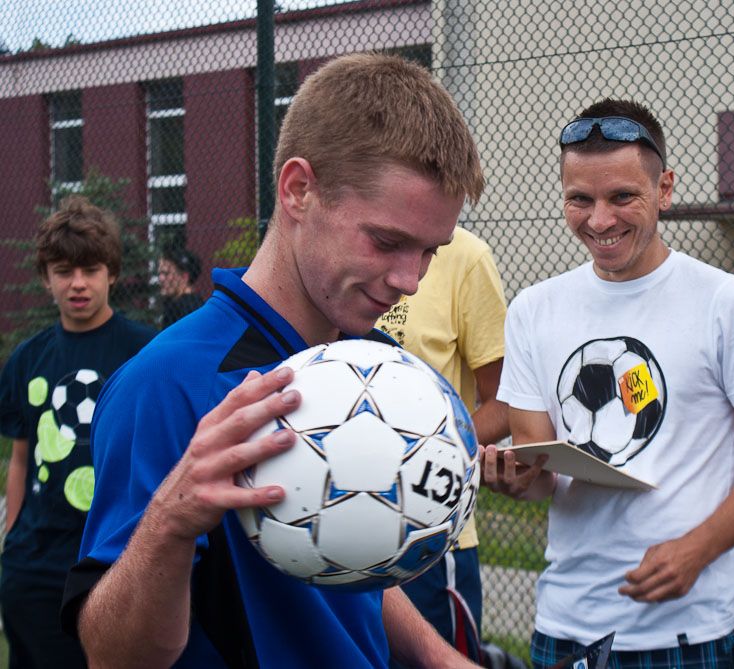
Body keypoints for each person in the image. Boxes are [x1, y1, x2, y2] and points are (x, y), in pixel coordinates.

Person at [60, 53, 485, 668]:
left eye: (430, 252)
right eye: (388, 242)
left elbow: (347, 551)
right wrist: (172, 522)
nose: (410, 280)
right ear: (298, 190)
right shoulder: (168, 384)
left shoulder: (374, 365)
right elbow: (111, 655)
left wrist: (443, 660)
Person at [481, 99, 734, 668]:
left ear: (665, 190)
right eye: (579, 199)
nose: (600, 220)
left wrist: (696, 551)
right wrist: (514, 481)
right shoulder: (534, 308)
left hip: (691, 627)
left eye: (622, 197)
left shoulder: (726, 303)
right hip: (567, 623)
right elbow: (543, 477)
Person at [0, 195, 155, 668]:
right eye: (64, 271)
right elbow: (21, 460)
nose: (78, 284)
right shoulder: (28, 359)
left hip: (112, 557)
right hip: (35, 562)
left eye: (90, 270)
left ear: (111, 272)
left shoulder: (146, 353)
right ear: (47, 278)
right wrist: (10, 545)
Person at [376, 226, 509, 663]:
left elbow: (504, 402)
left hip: (428, 537)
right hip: (333, 523)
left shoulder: (465, 257)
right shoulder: (343, 243)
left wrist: (426, 455)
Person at [158, 246, 204, 328]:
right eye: (160, 273)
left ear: (184, 277)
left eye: (166, 273)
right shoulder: (196, 304)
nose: (160, 278)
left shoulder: (185, 308)